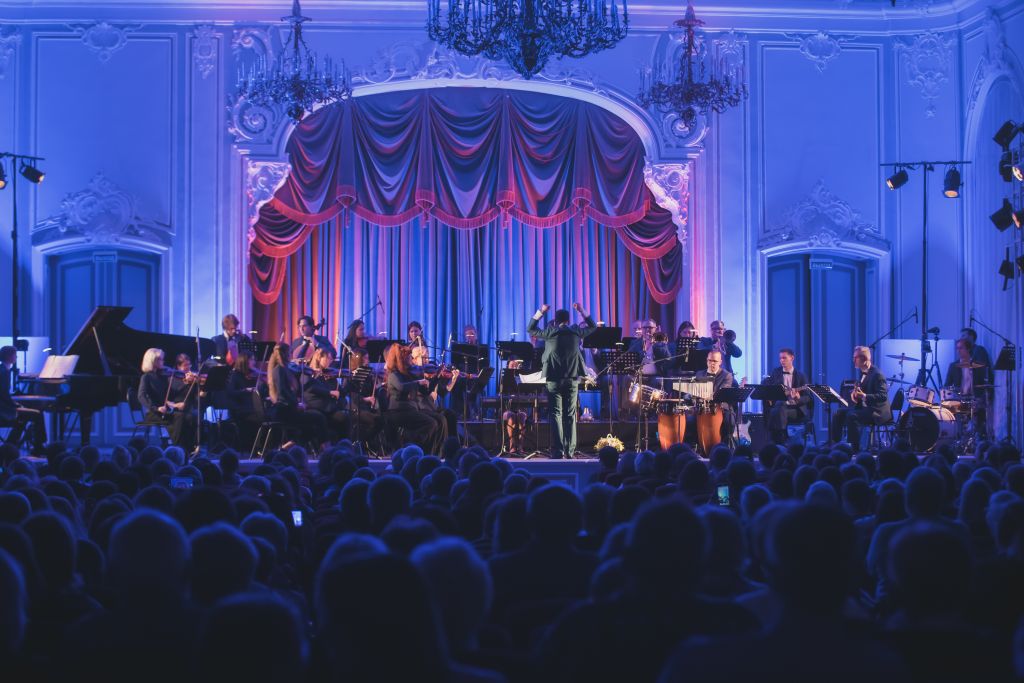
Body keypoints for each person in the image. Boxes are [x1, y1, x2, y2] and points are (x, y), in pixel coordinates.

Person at [527, 302, 597, 459]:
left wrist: (541, 311)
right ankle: (569, 451)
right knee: (570, 414)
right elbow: (593, 326)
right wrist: (582, 310)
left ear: (556, 320)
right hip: (572, 379)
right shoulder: (576, 331)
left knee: (556, 414)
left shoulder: (550, 332)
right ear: (568, 320)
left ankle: (558, 451)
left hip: (553, 379)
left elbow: (530, 328)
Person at [384, 343, 448, 454]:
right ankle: (413, 447)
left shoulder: (408, 374)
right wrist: (418, 382)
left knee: (439, 420)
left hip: (411, 409)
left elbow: (425, 391)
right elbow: (402, 387)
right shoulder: (394, 375)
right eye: (409, 357)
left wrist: (437, 377)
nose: (412, 359)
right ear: (402, 360)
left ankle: (436, 453)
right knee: (431, 423)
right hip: (398, 411)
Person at [829, 345, 891, 451]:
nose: (853, 360)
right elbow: (861, 395)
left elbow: (883, 396)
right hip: (866, 408)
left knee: (852, 416)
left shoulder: (877, 374)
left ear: (865, 359)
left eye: (855, 358)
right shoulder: (863, 373)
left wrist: (864, 396)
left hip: (877, 411)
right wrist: (855, 396)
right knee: (838, 413)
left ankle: (855, 449)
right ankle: (835, 445)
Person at [267, 342, 328, 448]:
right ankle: (325, 448)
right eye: (290, 352)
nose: (291, 355)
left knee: (311, 426)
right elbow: (282, 392)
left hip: (286, 409)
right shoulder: (279, 370)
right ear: (285, 354)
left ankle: (290, 444)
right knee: (319, 418)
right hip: (284, 412)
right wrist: (297, 404)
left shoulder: (281, 369)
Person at [136, 348, 197, 453]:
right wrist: (156, 408)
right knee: (180, 416)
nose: (163, 361)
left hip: (165, 411)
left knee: (190, 417)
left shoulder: (162, 377)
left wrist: (186, 384)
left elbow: (170, 394)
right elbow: (141, 396)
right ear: (152, 361)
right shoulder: (146, 377)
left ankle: (188, 448)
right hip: (153, 413)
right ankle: (177, 449)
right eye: (160, 359)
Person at [0, 345, 45, 454]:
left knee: (24, 417)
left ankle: (11, 445)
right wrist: (16, 405)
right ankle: (39, 446)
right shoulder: (4, 372)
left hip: (4, 407)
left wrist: (16, 403)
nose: (16, 357)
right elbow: (3, 395)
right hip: (4, 410)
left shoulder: (3, 369)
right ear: (9, 356)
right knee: (37, 414)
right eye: (15, 355)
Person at [764, 348, 813, 445]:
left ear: (792, 358)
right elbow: (769, 390)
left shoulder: (801, 376)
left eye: (784, 358)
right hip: (779, 407)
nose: (781, 360)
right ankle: (782, 438)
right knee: (779, 406)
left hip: (796, 409)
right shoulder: (776, 373)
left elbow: (808, 398)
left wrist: (798, 398)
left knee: (776, 411)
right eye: (780, 358)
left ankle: (778, 440)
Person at [302, 348, 350, 442]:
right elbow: (311, 388)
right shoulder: (309, 373)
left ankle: (343, 445)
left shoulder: (329, 375)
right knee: (333, 419)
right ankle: (326, 445)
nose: (330, 361)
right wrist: (329, 392)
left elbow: (341, 392)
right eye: (328, 358)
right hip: (317, 408)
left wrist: (349, 383)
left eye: (331, 358)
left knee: (344, 417)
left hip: (329, 409)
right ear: (319, 358)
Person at [945, 337, 989, 439]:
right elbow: (947, 384)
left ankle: (978, 437)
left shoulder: (977, 366)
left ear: (968, 349)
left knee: (980, 417)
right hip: (959, 399)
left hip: (975, 399)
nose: (958, 351)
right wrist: (951, 394)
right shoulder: (953, 366)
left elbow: (983, 384)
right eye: (957, 348)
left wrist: (981, 398)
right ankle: (959, 437)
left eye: (961, 348)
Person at [696, 350, 736, 445]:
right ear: (707, 360)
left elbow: (722, 392)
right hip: (702, 407)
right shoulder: (699, 374)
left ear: (720, 362)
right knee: (689, 419)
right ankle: (697, 445)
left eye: (715, 361)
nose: (712, 363)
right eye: (709, 360)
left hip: (721, 406)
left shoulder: (727, 375)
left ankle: (724, 445)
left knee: (729, 421)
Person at [224, 351, 261, 451]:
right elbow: (230, 392)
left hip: (250, 408)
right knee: (258, 419)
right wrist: (245, 390)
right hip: (239, 410)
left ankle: (259, 447)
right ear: (245, 361)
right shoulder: (234, 374)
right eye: (252, 359)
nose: (254, 362)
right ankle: (252, 447)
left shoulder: (251, 374)